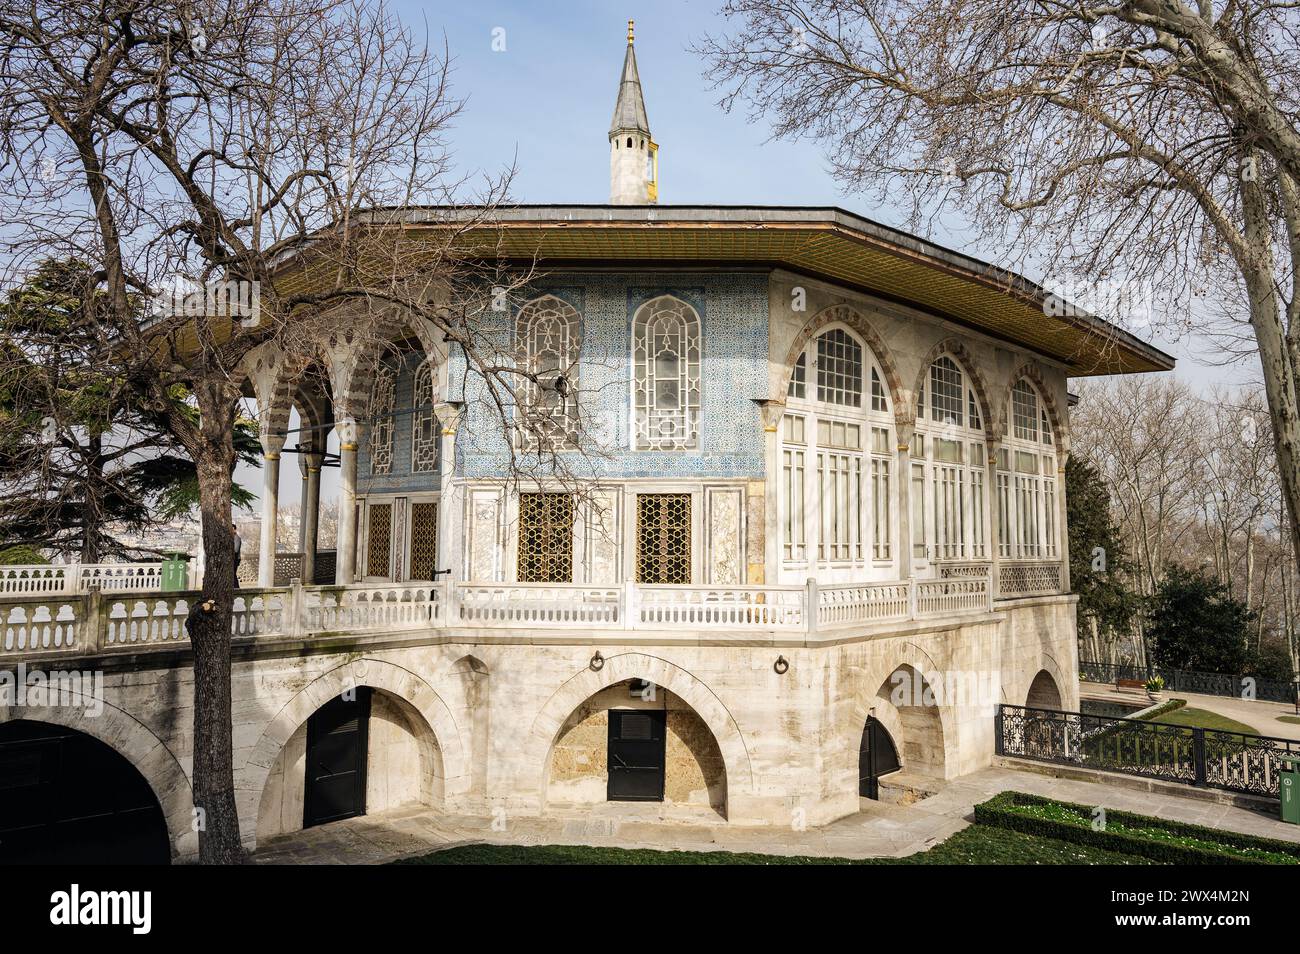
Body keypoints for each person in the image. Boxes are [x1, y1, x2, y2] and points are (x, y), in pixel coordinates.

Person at [231, 522, 242, 588]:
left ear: (235, 530)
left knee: (233, 574)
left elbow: (236, 550)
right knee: (232, 574)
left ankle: (236, 587)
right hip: (233, 558)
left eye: (232, 529)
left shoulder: (237, 538)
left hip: (236, 559)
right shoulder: (232, 538)